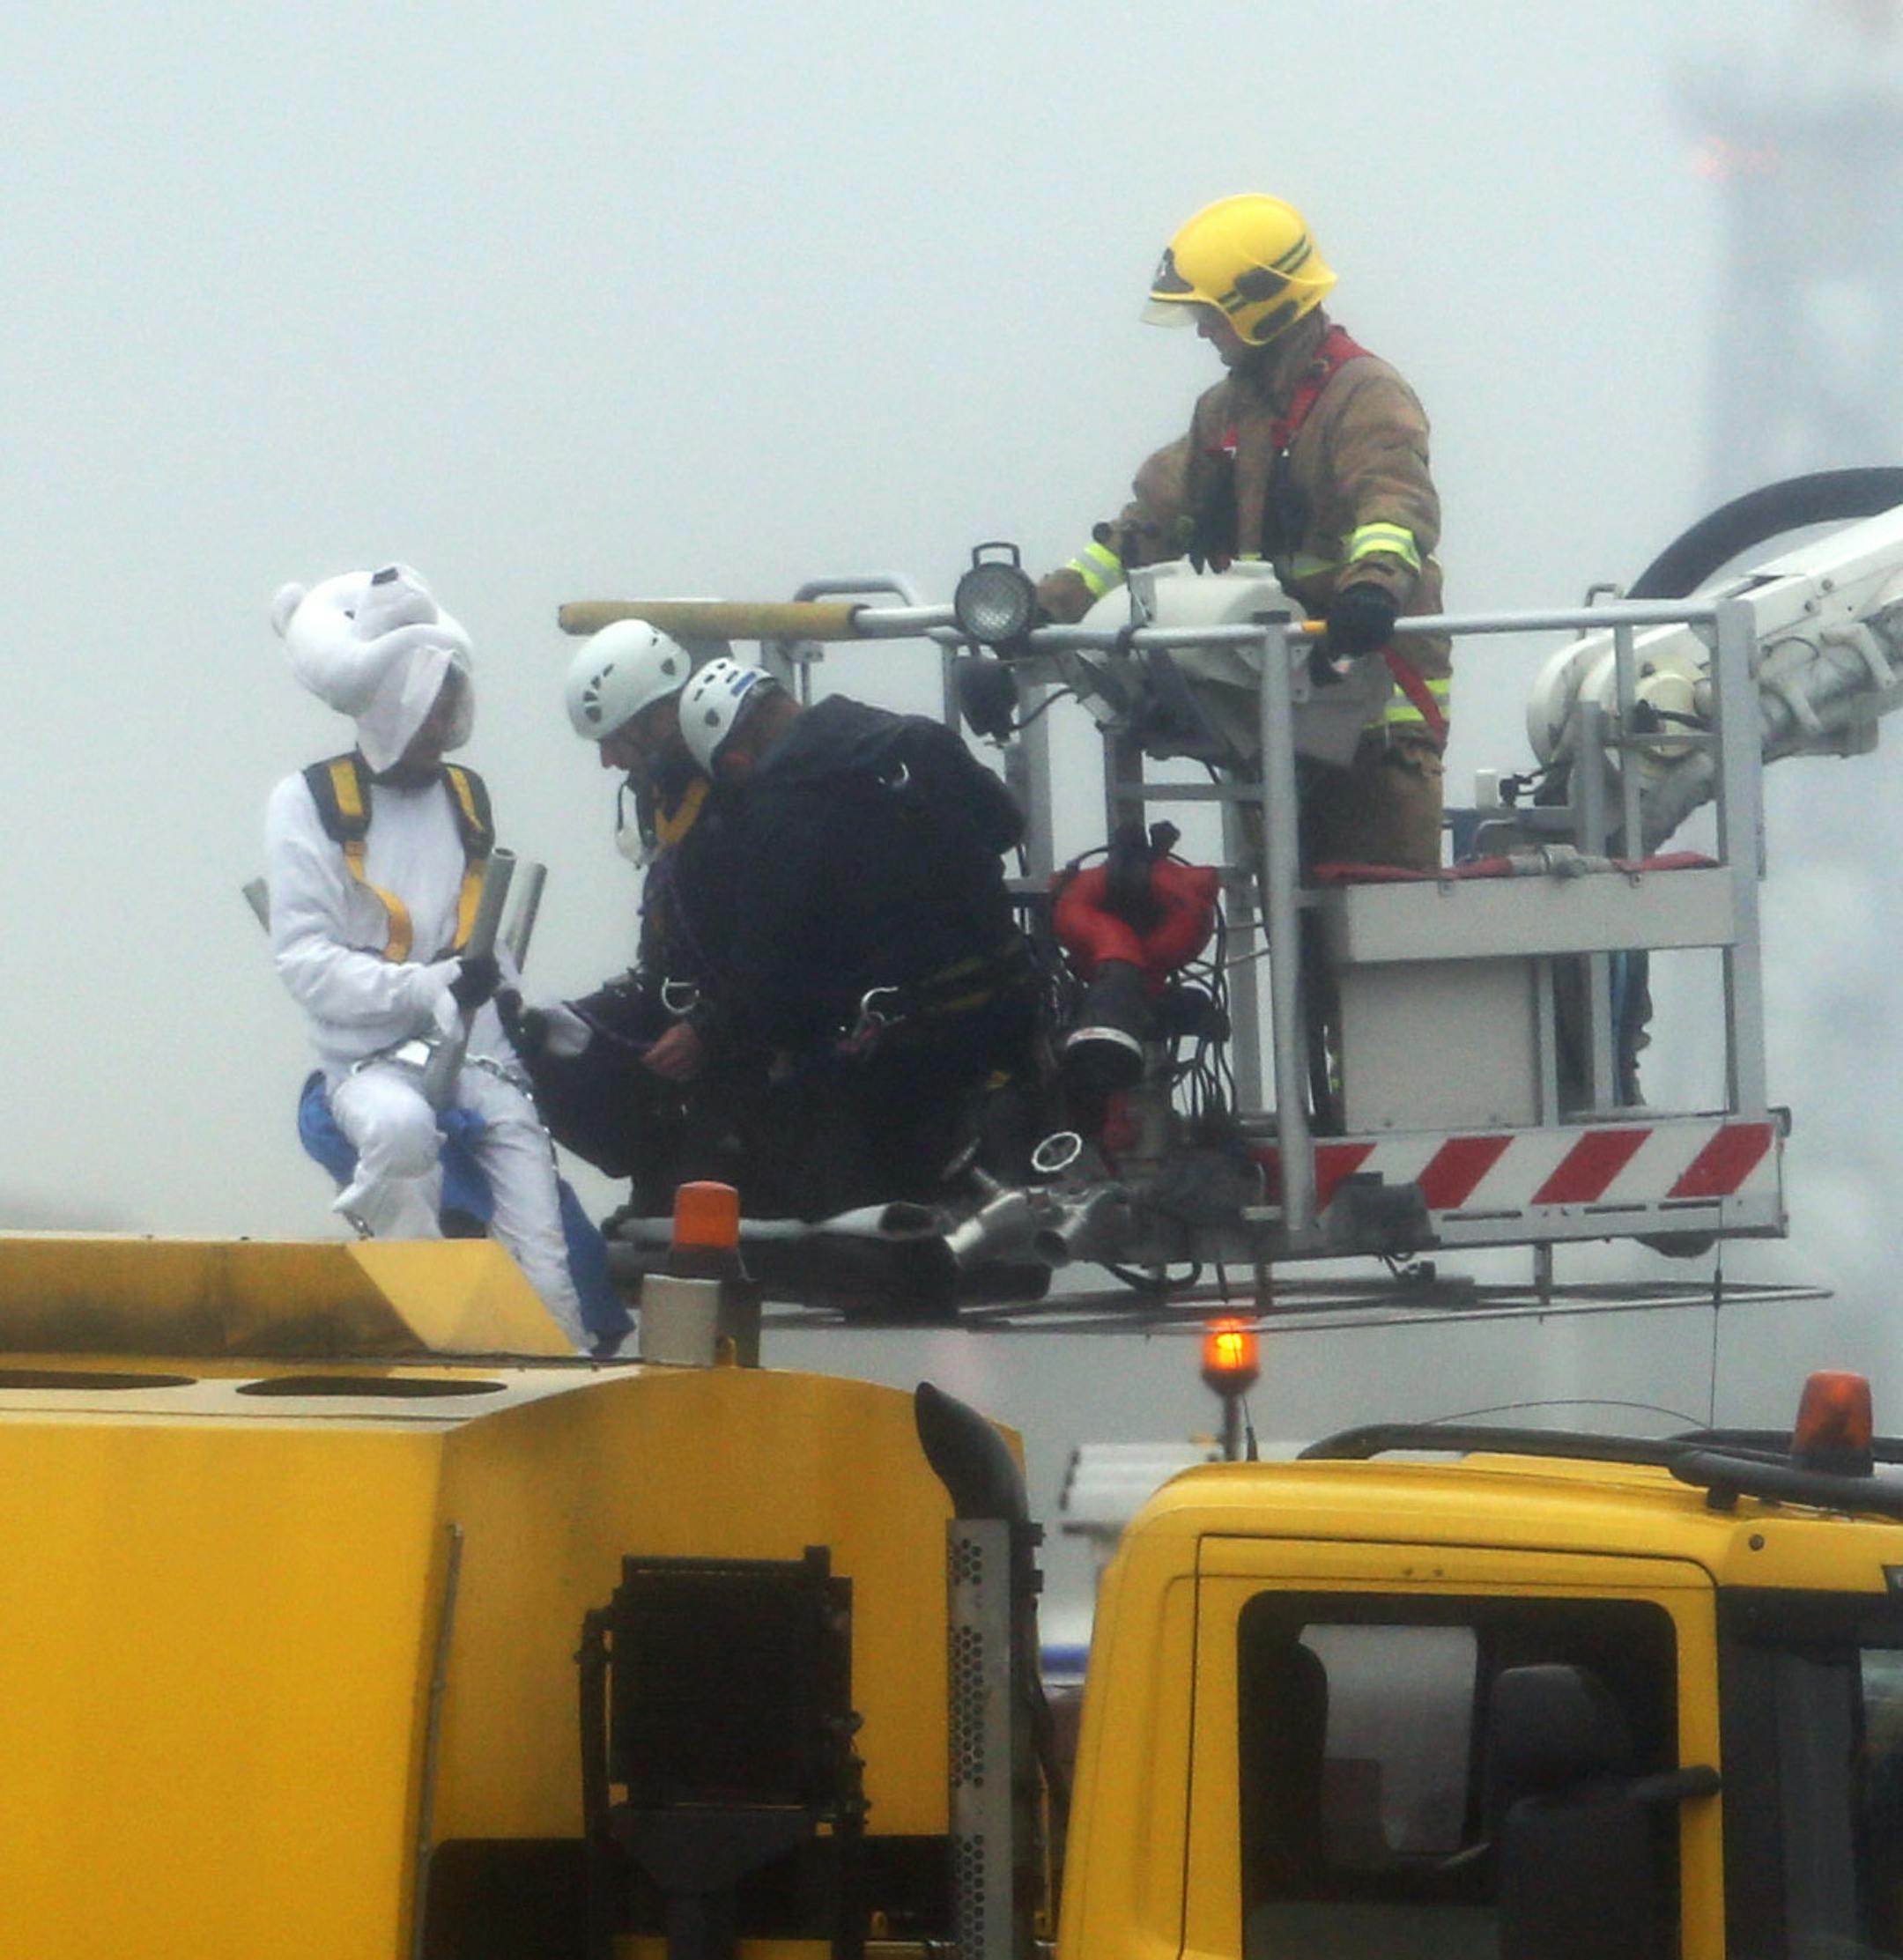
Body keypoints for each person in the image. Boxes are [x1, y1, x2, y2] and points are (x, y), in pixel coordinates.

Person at [1035, 192, 1449, 875]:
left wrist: (1372, 589)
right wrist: (1042, 612)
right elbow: (1146, 527)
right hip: (1280, 710)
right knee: (1294, 932)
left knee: (1377, 933)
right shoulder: (1227, 412)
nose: (1202, 331)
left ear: (1263, 304)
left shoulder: (1366, 396)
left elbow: (1395, 504)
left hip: (1375, 714)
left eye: (1212, 313)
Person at [264, 563, 589, 1348]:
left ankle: (564, 1377)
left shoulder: (467, 797)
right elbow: (305, 962)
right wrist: (421, 990)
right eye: (432, 694)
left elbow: (476, 947)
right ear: (390, 699)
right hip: (369, 1064)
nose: (447, 713)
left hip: (478, 1056)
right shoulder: (307, 804)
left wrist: (531, 1007)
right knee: (402, 1136)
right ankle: (431, 1344)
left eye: (454, 693)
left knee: (548, 1256)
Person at [663, 657, 1040, 1221]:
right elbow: (1006, 824)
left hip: (907, 1049)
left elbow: (770, 964)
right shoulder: (917, 739)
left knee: (810, 1170)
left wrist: (707, 1027)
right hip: (1011, 1011)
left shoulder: (782, 804)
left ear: (737, 761)